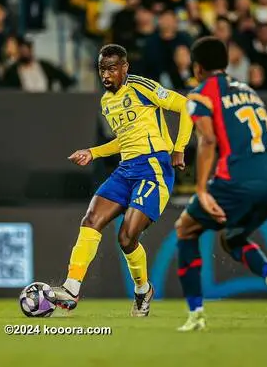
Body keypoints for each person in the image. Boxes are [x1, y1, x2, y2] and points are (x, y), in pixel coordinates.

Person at [51, 44, 193, 317]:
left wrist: (179, 147)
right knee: (91, 219)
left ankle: (143, 290)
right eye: (102, 69)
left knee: (127, 237)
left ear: (125, 68)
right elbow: (125, 140)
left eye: (112, 68)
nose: (106, 74)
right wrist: (92, 152)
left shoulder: (141, 86)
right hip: (126, 169)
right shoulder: (107, 101)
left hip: (153, 167)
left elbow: (186, 106)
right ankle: (71, 287)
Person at [175, 37, 267, 332]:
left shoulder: (199, 96)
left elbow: (209, 140)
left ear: (197, 67)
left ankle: (196, 314)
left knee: (186, 229)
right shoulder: (251, 92)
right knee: (232, 239)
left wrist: (201, 189)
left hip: (237, 179)